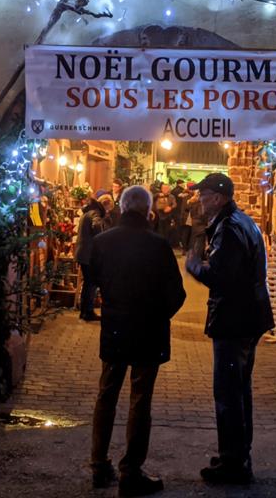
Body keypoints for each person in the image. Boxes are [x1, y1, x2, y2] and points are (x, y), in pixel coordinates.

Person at [89, 185, 186, 497]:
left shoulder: (103, 242)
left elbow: (93, 281)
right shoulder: (158, 245)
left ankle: (99, 465)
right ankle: (131, 470)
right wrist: (160, 314)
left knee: (107, 394)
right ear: (148, 211)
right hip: (149, 328)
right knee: (140, 399)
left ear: (120, 206)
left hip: (116, 327)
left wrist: (111, 302)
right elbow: (177, 293)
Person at [185, 173, 274, 485]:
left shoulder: (230, 228)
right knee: (238, 389)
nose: (199, 199)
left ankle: (233, 463)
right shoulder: (240, 222)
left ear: (218, 198)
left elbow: (222, 276)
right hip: (248, 317)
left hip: (236, 319)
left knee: (228, 391)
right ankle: (236, 454)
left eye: (203, 194)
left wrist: (195, 266)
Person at [75, 196, 107, 321]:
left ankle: (84, 311)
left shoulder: (86, 213)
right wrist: (102, 237)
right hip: (89, 254)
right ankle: (87, 312)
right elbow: (97, 225)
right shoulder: (95, 213)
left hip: (82, 253)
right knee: (91, 283)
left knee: (88, 283)